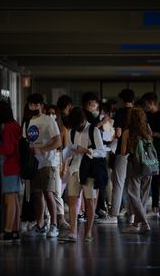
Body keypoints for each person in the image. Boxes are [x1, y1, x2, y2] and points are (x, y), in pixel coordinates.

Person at [58, 107, 106, 242]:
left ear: (83, 120)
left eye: (78, 124)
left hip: (89, 170)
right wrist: (64, 165)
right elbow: (70, 150)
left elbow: (102, 152)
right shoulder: (72, 131)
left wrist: (86, 150)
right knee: (72, 199)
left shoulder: (94, 130)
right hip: (74, 169)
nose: (76, 128)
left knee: (89, 201)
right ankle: (73, 231)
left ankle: (88, 233)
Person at [23, 94, 61, 238]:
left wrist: (42, 149)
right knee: (37, 194)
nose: (33, 107)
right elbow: (26, 141)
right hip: (34, 164)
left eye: (36, 104)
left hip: (47, 162)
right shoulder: (27, 122)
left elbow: (58, 142)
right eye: (31, 104)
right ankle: (40, 223)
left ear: (41, 105)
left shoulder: (48, 120)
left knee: (48, 193)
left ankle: (54, 225)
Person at [96, 89, 134, 224]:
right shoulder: (139, 113)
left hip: (123, 151)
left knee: (118, 183)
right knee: (133, 183)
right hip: (136, 153)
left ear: (123, 100)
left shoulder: (121, 113)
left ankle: (113, 215)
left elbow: (118, 133)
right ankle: (133, 213)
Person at [0, 100, 22, 243]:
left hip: (9, 166)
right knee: (14, 200)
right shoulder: (15, 125)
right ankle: (15, 231)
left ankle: (7, 232)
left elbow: (8, 150)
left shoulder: (8, 128)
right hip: (16, 166)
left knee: (9, 200)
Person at [120, 108, 153, 234]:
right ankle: (135, 224)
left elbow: (123, 152)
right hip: (149, 166)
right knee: (143, 197)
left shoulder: (127, 132)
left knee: (133, 194)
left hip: (135, 166)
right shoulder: (147, 130)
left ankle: (144, 223)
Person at [141, 92, 160, 220]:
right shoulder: (148, 115)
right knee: (153, 178)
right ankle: (154, 209)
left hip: (159, 151)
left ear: (152, 103)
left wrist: (153, 134)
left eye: (147, 104)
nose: (145, 106)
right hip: (151, 151)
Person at [46, 105, 70, 230]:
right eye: (49, 112)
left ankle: (60, 218)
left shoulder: (63, 129)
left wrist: (64, 167)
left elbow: (65, 151)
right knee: (47, 190)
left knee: (56, 191)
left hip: (58, 158)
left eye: (53, 113)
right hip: (45, 159)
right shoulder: (45, 128)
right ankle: (48, 218)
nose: (51, 115)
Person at [19, 103, 37, 233]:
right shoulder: (27, 123)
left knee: (33, 192)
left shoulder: (35, 122)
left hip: (35, 161)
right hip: (30, 161)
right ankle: (29, 217)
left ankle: (32, 218)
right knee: (29, 193)